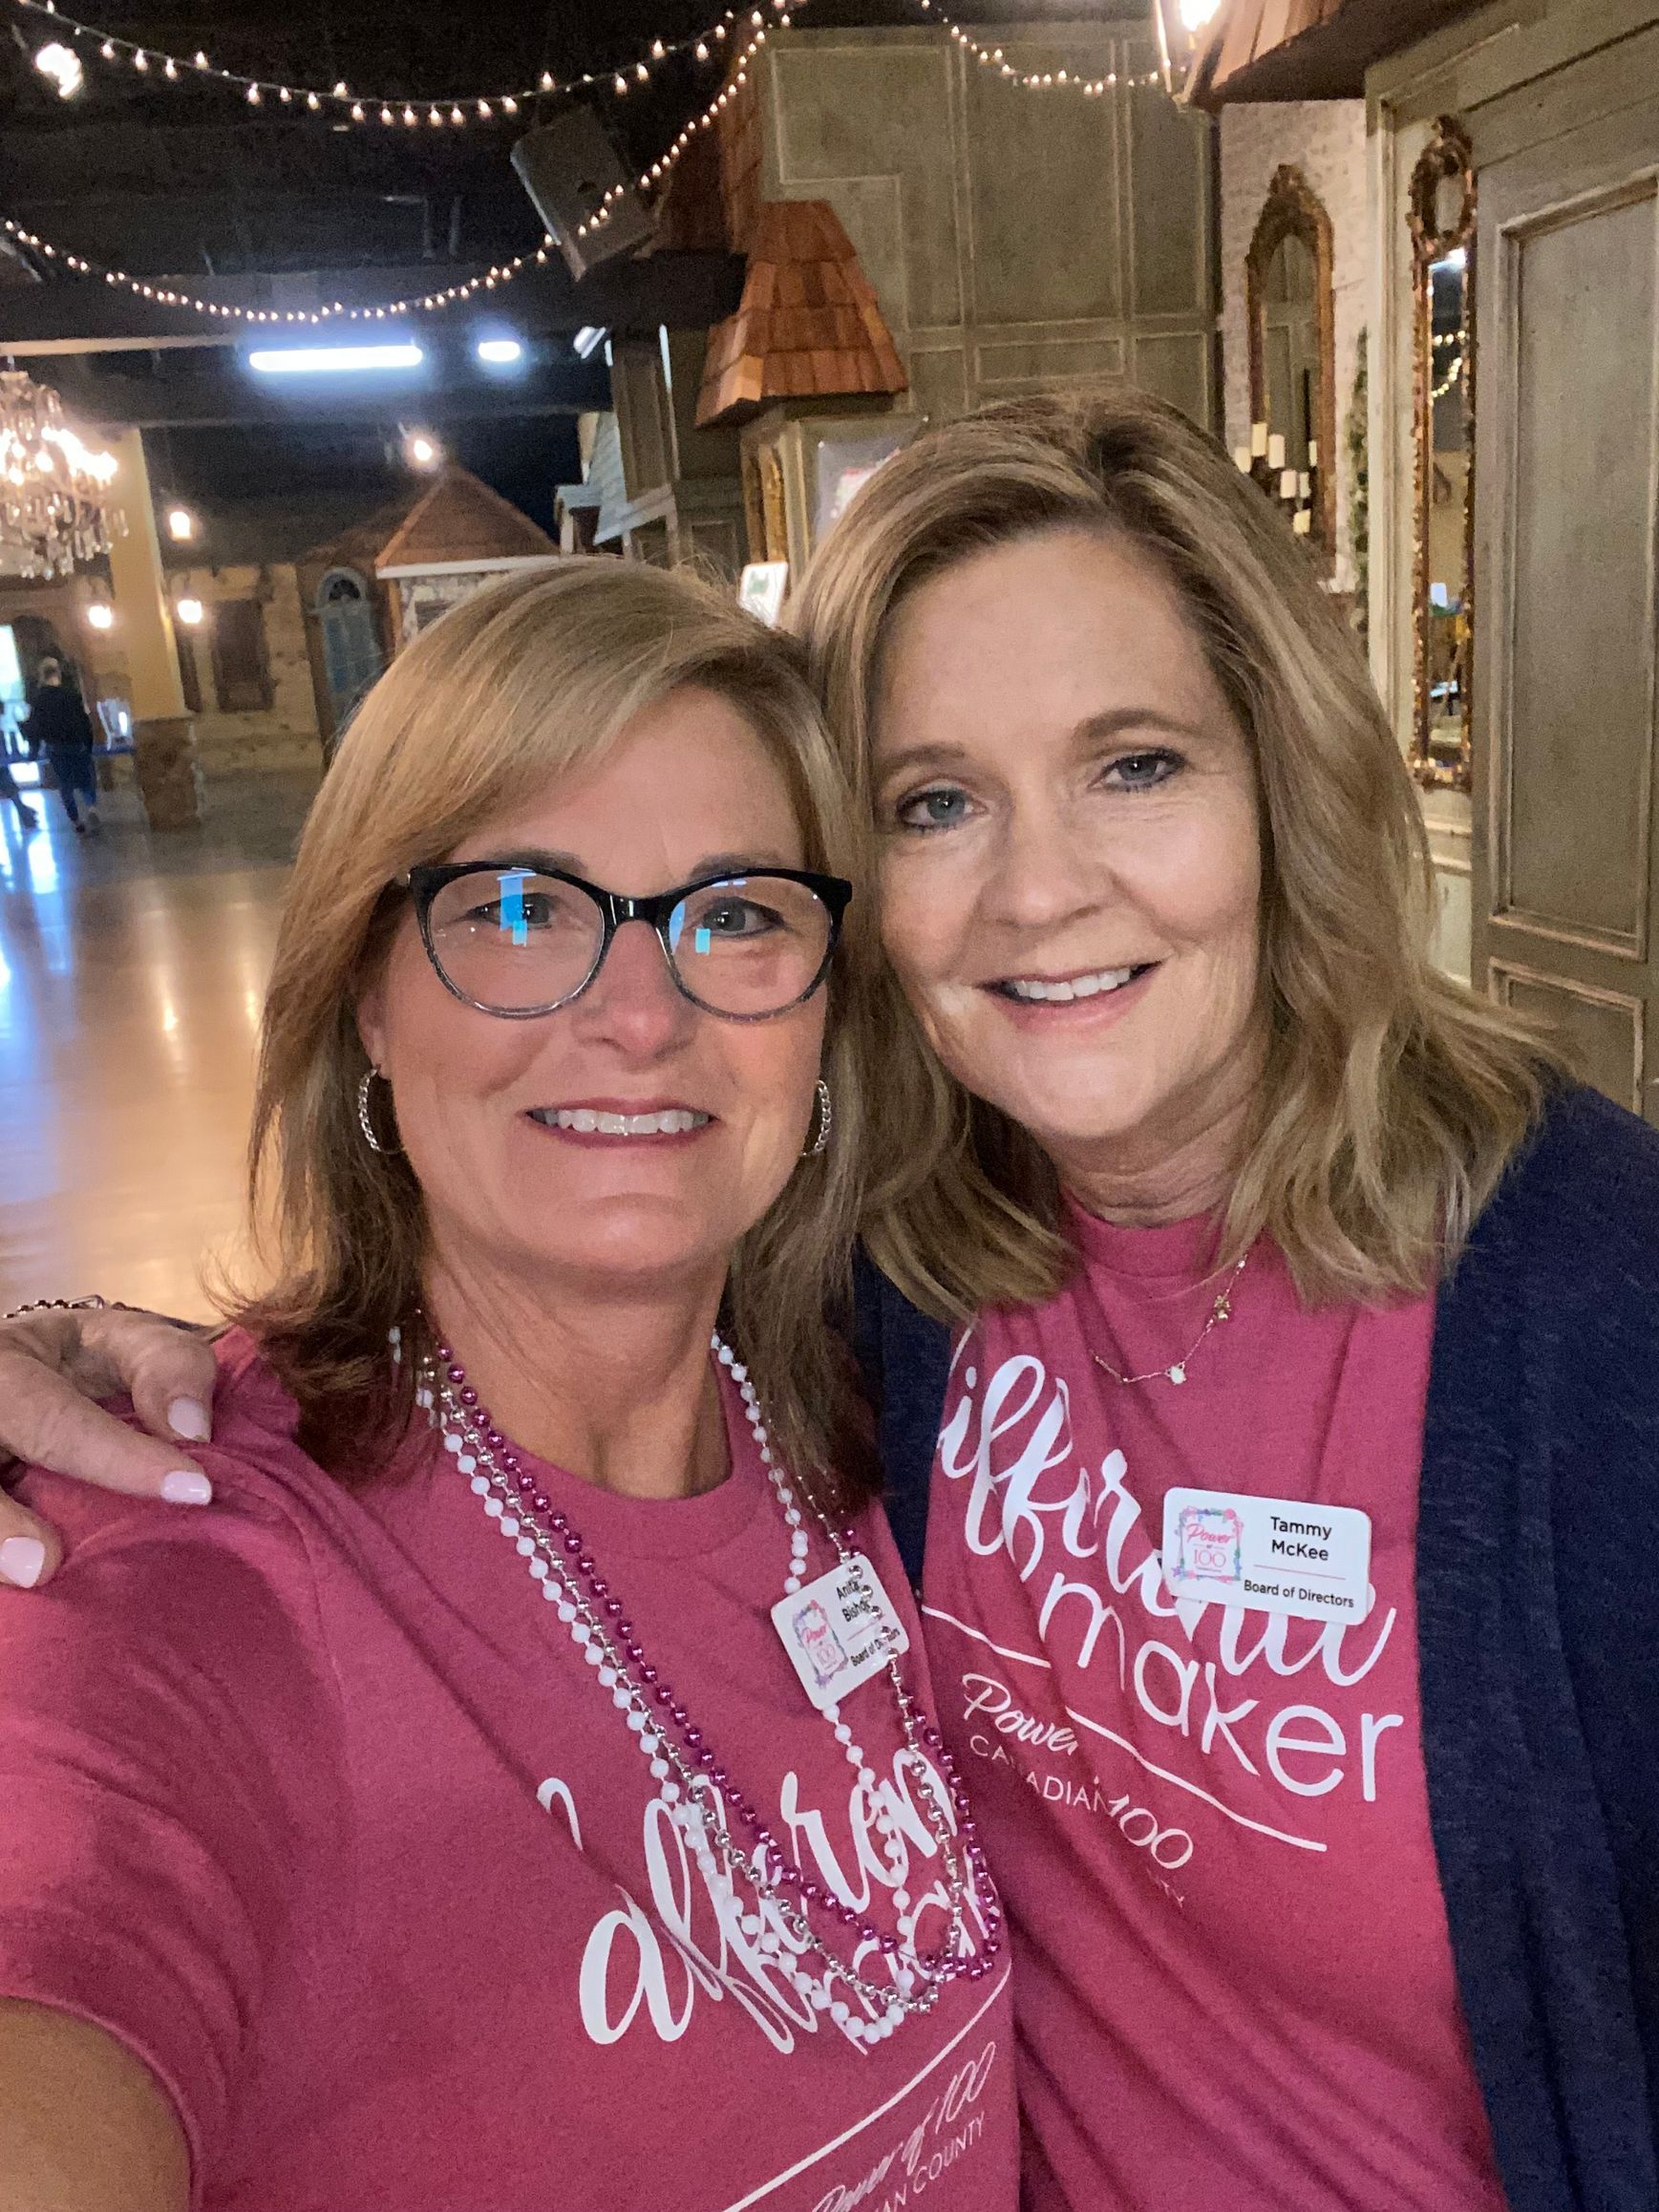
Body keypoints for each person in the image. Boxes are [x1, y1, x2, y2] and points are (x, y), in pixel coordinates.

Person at [2, 392, 1656, 2212]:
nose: (1039, 889)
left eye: (1136, 764)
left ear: (1287, 781)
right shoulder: (903, 1284)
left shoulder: (1590, 1311)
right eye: (935, 802)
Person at [0, 561, 1015, 2212]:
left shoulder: (879, 1413)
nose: (639, 1014)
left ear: (827, 1013)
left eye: (739, 912)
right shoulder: (173, 1559)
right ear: (366, 998)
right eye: (520, 908)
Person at [24, 656, 100, 835]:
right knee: (86, 779)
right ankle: (91, 807)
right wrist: (88, 743)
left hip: (55, 746)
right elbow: (83, 721)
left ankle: (76, 821)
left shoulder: (38, 699)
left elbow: (34, 726)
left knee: (65, 785)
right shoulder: (71, 694)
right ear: (58, 672)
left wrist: (33, 750)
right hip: (76, 743)